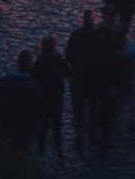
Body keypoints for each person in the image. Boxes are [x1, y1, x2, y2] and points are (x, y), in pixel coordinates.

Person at [0, 49, 40, 152]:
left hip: (6, 121)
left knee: (3, 150)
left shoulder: (5, 80)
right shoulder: (33, 85)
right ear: (30, 65)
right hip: (23, 126)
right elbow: (36, 109)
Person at [32, 35, 69, 161]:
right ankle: (59, 153)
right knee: (57, 126)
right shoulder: (57, 57)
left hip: (43, 97)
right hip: (56, 97)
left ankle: (41, 150)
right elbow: (68, 71)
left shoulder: (40, 59)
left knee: (43, 124)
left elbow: (33, 76)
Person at [66, 10, 97, 155]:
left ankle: (79, 134)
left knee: (78, 108)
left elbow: (68, 57)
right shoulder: (98, 36)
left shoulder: (75, 35)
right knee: (92, 106)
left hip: (78, 77)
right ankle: (91, 135)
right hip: (92, 78)